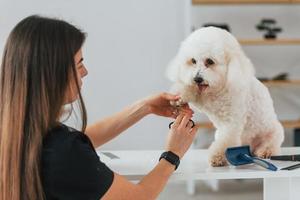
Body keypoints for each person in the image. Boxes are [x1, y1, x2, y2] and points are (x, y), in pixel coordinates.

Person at [0, 15, 198, 200]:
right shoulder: (64, 152)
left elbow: (79, 142)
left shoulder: (14, 130)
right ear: (53, 74)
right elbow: (138, 197)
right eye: (79, 64)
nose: (85, 72)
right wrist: (172, 155)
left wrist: (144, 107)